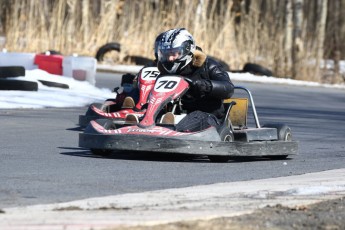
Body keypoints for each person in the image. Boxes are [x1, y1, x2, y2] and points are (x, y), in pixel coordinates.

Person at [156, 28, 235, 132]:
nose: (170, 58)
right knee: (151, 112)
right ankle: (142, 126)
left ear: (186, 50)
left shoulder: (208, 65)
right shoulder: (164, 69)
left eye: (173, 53)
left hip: (208, 116)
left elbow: (228, 88)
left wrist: (204, 86)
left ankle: (173, 131)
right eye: (166, 54)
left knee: (196, 116)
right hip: (175, 114)